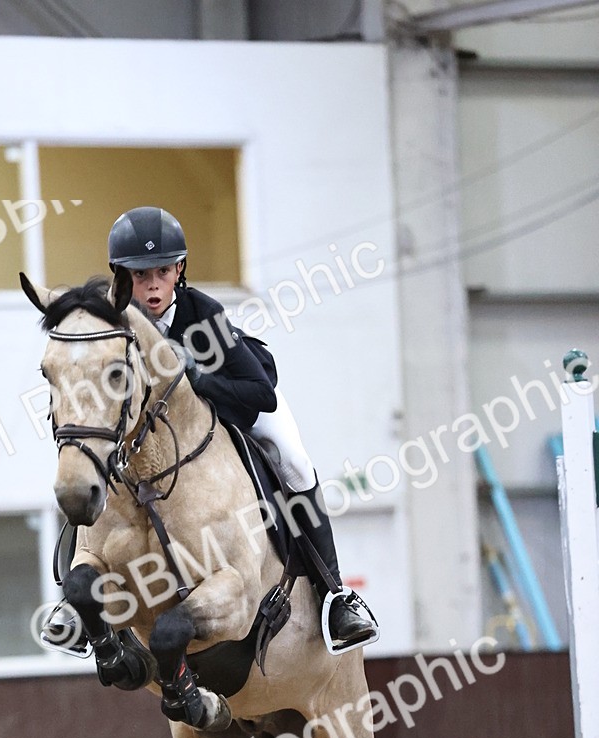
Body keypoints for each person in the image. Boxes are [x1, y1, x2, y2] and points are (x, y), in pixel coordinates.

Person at [43, 206, 378, 655]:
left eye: (163, 271)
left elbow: (261, 394)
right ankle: (75, 604)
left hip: (233, 405)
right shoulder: (112, 324)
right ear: (121, 278)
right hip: (150, 436)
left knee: (294, 461)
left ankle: (335, 595)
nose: (153, 285)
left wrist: (198, 380)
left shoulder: (202, 315)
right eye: (140, 276)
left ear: (179, 270)